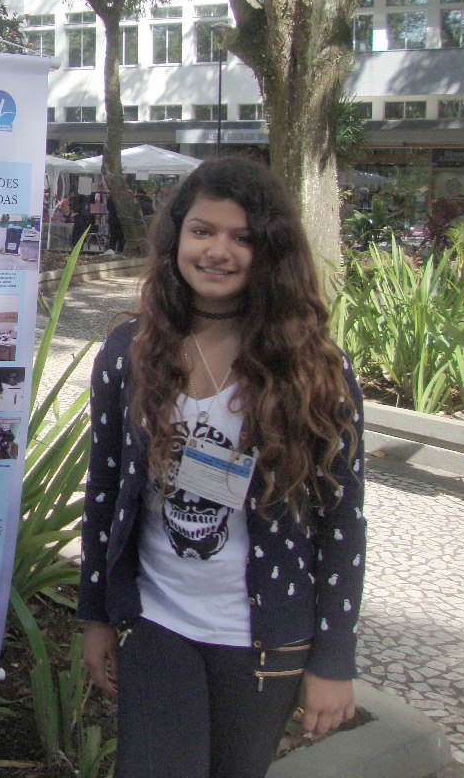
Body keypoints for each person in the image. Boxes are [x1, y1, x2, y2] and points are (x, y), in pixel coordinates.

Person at [78, 157, 366, 778]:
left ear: (272, 252)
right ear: (177, 237)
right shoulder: (130, 353)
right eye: (203, 231)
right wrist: (95, 613)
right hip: (156, 619)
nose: (219, 251)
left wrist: (334, 659)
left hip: (265, 638)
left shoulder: (315, 371)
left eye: (242, 237)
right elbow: (103, 491)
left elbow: (342, 520)